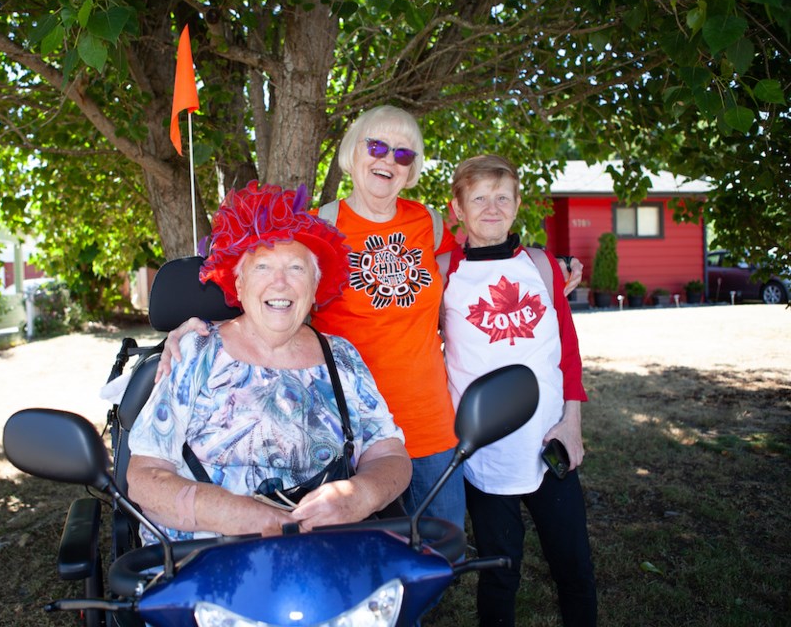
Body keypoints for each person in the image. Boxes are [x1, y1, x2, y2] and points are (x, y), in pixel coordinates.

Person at [157, 106, 583, 532]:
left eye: (402, 154)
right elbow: (262, 289)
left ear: (412, 168)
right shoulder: (320, 224)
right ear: (352, 153)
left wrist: (548, 265)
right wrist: (192, 325)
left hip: (430, 420)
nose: (388, 159)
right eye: (376, 146)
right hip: (346, 426)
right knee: (356, 554)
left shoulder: (429, 223)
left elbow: (479, 264)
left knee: (442, 546)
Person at [127, 181, 412, 541]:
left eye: (296, 268)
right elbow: (143, 475)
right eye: (262, 267)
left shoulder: (341, 357)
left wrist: (360, 496)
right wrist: (234, 514)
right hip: (203, 563)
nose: (280, 283)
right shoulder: (195, 353)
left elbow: (389, 454)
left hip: (324, 553)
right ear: (240, 284)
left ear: (314, 287)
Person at [442, 155, 597, 626]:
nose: (492, 208)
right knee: (499, 571)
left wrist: (571, 422)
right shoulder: (443, 271)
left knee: (573, 566)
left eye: (502, 197)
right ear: (458, 208)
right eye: (480, 198)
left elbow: (567, 351)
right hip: (484, 451)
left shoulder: (543, 265)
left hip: (549, 443)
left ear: (517, 204)